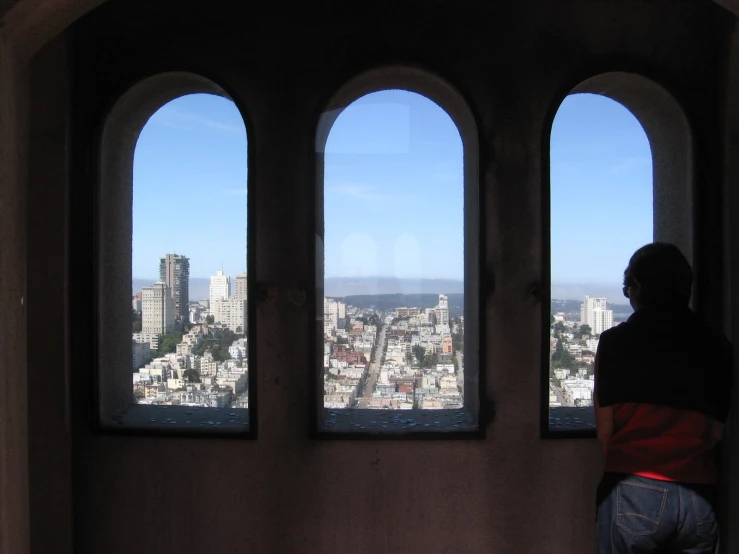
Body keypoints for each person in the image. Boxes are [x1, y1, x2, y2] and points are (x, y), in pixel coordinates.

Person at [594, 242, 733, 553]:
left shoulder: (615, 343)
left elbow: (606, 432)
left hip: (633, 486)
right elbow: (716, 432)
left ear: (638, 288)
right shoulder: (718, 346)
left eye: (627, 287)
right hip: (699, 492)